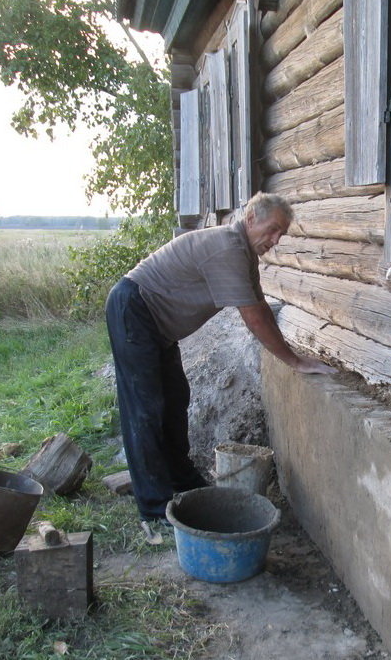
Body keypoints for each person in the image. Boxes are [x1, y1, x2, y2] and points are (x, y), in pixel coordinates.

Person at [105, 192, 335, 542]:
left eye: (281, 235)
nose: (274, 241)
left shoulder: (244, 255)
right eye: (272, 230)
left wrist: (292, 355)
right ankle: (153, 508)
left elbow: (258, 304)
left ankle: (182, 482)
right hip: (133, 309)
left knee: (175, 400)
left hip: (153, 324)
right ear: (251, 218)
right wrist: (295, 360)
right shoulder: (228, 247)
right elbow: (254, 318)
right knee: (146, 409)